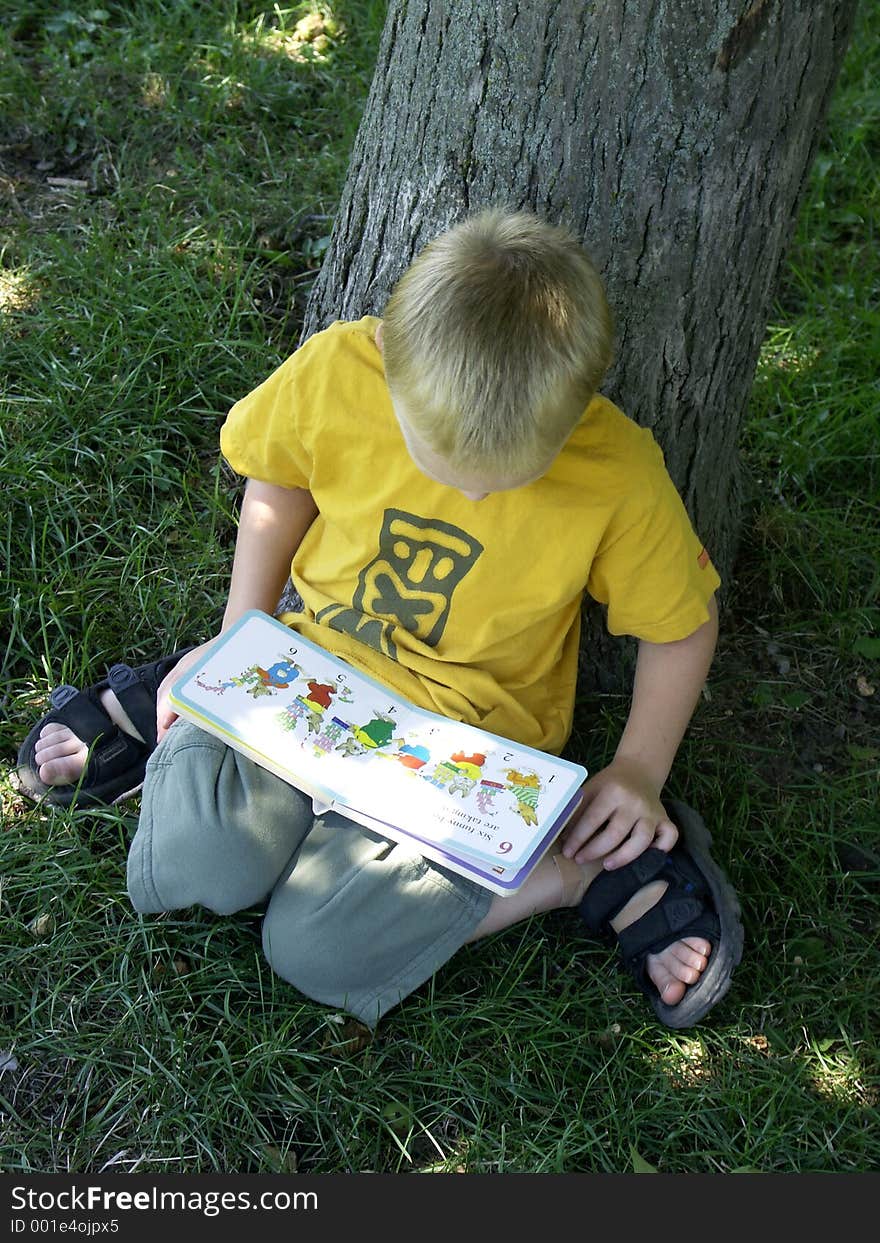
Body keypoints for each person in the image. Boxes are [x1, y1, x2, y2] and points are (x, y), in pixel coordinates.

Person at [17, 209, 743, 1030]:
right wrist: (239, 635)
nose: (470, 498)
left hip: (468, 748)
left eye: (504, 482)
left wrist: (641, 769)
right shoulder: (342, 368)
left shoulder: (616, 470)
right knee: (201, 865)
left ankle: (576, 868)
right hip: (303, 673)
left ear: (576, 419)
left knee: (317, 951)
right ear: (388, 364)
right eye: (445, 467)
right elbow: (278, 478)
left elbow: (681, 623)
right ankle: (182, 682)